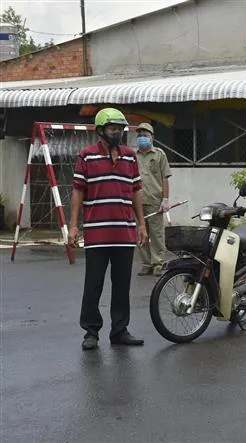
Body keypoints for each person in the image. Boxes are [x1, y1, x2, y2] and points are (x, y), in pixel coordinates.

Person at [68, 108, 148, 351]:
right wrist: (73, 226)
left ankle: (119, 330)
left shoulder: (130, 156)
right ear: (100, 130)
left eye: (120, 129)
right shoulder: (87, 156)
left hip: (124, 233)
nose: (118, 133)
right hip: (96, 233)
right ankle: (91, 332)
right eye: (113, 129)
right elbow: (78, 190)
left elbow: (136, 191)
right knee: (93, 285)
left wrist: (141, 224)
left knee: (122, 285)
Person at [134, 122, 172, 277]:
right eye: (140, 135)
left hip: (155, 200)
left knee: (156, 234)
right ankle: (146, 263)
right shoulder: (132, 155)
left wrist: (165, 199)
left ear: (152, 137)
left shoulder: (159, 154)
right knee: (141, 234)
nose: (142, 138)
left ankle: (158, 263)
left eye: (145, 135)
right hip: (137, 201)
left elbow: (164, 178)